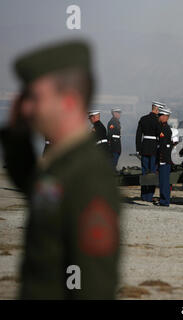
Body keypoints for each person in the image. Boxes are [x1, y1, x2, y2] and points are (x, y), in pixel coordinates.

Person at [0, 40, 121, 299]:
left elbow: (94, 286)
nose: (26, 108)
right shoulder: (64, 162)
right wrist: (16, 135)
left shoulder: (88, 175)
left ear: (68, 101)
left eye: (34, 98)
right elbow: (39, 192)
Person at [135, 101, 164, 202]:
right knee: (152, 172)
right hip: (154, 148)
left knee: (144, 172)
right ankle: (149, 196)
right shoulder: (158, 120)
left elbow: (138, 135)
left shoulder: (143, 119)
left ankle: (143, 196)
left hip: (144, 147)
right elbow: (160, 135)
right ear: (157, 109)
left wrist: (138, 148)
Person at [154, 108, 172, 207]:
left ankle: (165, 201)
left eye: (161, 115)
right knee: (162, 181)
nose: (159, 117)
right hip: (163, 158)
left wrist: (161, 160)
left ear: (166, 117)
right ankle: (163, 200)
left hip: (164, 158)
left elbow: (164, 146)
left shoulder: (165, 129)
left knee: (164, 181)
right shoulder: (162, 127)